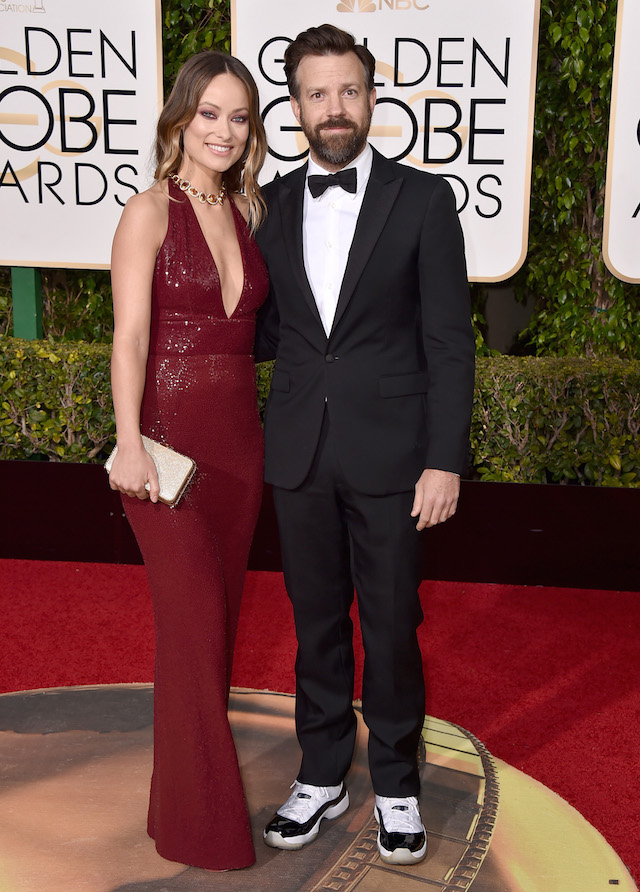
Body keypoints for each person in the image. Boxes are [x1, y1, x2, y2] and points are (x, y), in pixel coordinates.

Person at [255, 24, 475, 866]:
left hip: (395, 457)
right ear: (296, 106)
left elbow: (449, 341)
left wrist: (445, 458)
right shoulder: (269, 205)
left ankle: (395, 783)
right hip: (299, 451)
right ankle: (321, 775)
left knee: (389, 627)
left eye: (348, 90)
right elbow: (266, 330)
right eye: (317, 93)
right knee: (315, 625)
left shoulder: (423, 199)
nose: (334, 107)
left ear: (372, 98)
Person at [108, 50, 268, 871]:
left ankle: (172, 809)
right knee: (197, 630)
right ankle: (208, 830)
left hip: (240, 451)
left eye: (239, 117)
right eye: (210, 113)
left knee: (207, 640)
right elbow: (131, 337)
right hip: (165, 452)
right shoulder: (148, 211)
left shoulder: (246, 210)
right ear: (180, 118)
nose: (224, 131)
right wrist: (129, 441)